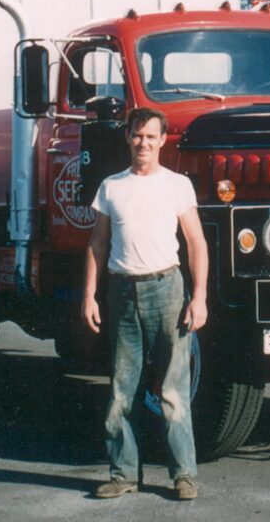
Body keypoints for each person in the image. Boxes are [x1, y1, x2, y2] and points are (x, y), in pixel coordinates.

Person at [82, 107, 209, 501]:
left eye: (151, 136)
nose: (143, 143)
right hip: (121, 294)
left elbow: (196, 244)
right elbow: (97, 245)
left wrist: (199, 297)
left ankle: (184, 476)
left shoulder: (177, 186)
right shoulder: (111, 187)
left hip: (167, 290)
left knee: (173, 391)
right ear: (127, 137)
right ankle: (122, 474)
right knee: (121, 391)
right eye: (138, 135)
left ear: (163, 140)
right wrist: (89, 295)